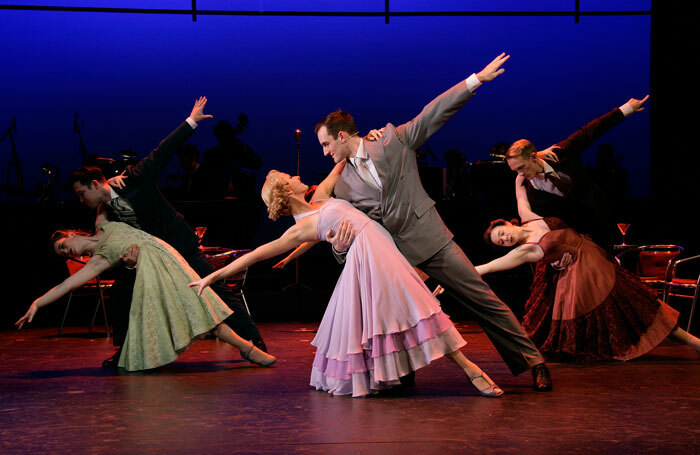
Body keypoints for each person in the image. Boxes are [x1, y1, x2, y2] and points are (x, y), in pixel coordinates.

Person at [313, 53, 553, 391]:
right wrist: (338, 250)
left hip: (432, 241)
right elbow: (345, 228)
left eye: (325, 144)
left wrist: (476, 81)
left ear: (341, 135)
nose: (324, 153)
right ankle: (400, 377)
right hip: (394, 257)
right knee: (395, 318)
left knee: (483, 300)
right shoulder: (342, 184)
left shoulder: (391, 140)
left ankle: (535, 363)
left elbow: (433, 114)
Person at [189, 169, 504, 398]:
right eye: (290, 177)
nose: (299, 176)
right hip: (370, 262)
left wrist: (362, 139)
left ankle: (451, 369)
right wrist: (212, 276)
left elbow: (340, 162)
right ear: (287, 191)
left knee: (409, 312)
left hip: (384, 251)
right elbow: (256, 255)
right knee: (416, 310)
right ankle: (471, 370)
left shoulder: (322, 197)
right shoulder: (300, 228)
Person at [68, 97, 266, 368]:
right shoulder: (106, 212)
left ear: (94, 183)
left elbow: (162, 151)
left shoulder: (133, 178)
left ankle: (253, 338)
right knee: (123, 290)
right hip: (155, 257)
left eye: (82, 194)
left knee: (213, 285)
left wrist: (192, 121)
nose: (81, 200)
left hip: (178, 242)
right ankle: (124, 350)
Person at [476, 175, 700, 361]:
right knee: (631, 306)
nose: (505, 239)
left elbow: (521, 194)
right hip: (584, 275)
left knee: (639, 302)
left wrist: (520, 174)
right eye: (501, 242)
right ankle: (693, 342)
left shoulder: (529, 219)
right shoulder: (526, 250)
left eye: (502, 233)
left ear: (508, 223)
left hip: (595, 259)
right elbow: (490, 266)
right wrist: (465, 273)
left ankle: (692, 341)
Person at [15, 221, 276, 371]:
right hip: (155, 275)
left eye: (63, 245)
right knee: (199, 311)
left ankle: (247, 349)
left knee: (202, 308)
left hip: (169, 258)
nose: (67, 250)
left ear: (70, 234)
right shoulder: (99, 260)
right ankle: (248, 349)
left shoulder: (103, 222)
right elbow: (66, 285)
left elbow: (111, 193)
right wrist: (38, 302)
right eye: (63, 254)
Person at [504, 95, 649, 250]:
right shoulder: (528, 188)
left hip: (601, 217)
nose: (520, 174)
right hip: (574, 239)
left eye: (521, 167)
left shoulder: (560, 154)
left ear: (533, 157)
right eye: (515, 170)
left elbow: (589, 132)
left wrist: (624, 110)